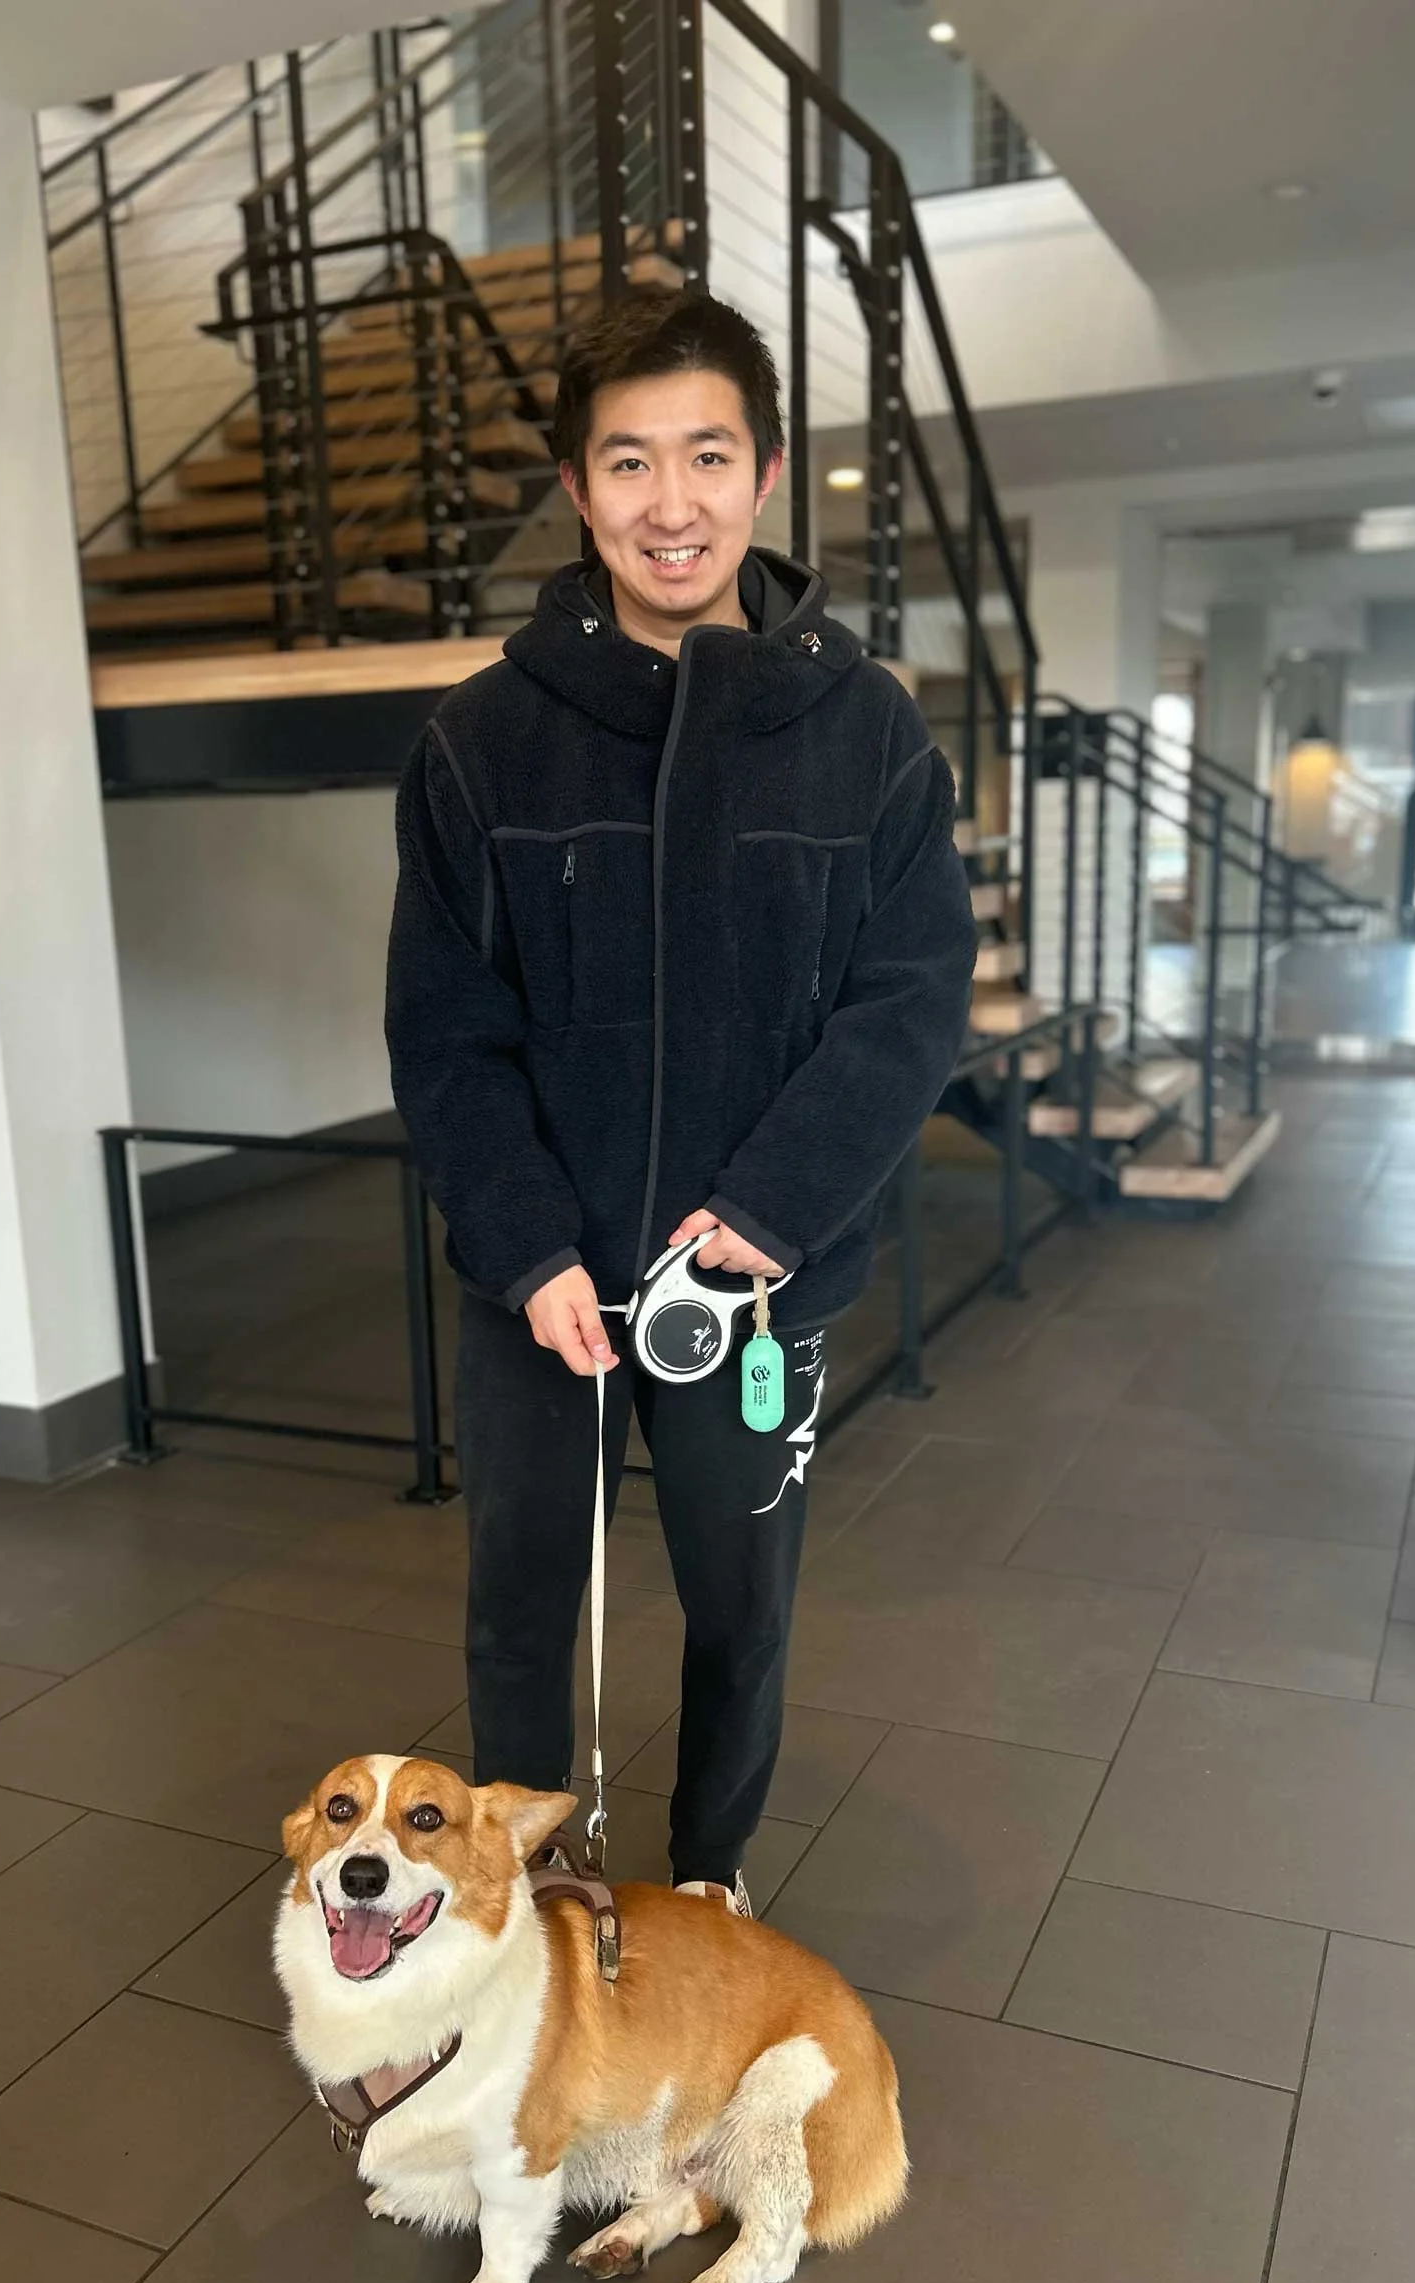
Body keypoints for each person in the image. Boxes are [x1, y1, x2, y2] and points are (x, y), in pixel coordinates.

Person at [386, 287, 977, 1909]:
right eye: (628, 461)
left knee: (741, 1606)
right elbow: (445, 1033)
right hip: (546, 1287)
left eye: (706, 456)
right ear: (576, 488)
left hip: (754, 1285)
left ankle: (708, 1870)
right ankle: (529, 1888)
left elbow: (908, 1000)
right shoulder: (479, 743)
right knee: (521, 1611)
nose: (671, 503)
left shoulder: (864, 732)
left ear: (765, 472)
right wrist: (525, 1246)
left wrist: (773, 1211)